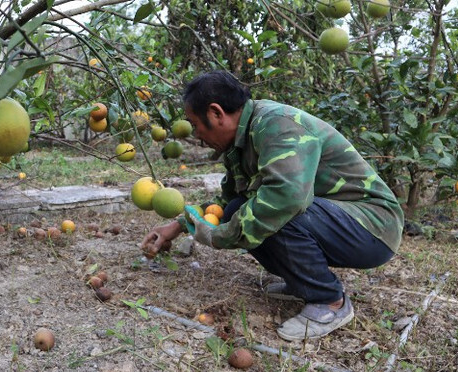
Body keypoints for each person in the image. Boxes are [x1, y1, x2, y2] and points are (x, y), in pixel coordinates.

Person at [141, 70, 404, 341]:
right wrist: (178, 225)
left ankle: (330, 303)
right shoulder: (241, 142)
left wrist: (220, 237)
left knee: (278, 210)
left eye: (196, 125)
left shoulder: (277, 124)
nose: (196, 135)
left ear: (217, 113)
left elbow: (286, 198)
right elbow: (228, 201)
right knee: (238, 208)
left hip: (374, 228)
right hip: (338, 221)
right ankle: (302, 283)